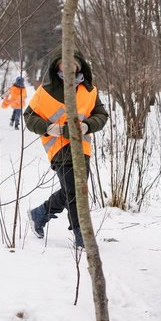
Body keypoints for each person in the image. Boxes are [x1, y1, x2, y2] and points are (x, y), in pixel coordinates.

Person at [25, 51, 109, 248]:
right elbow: (29, 117)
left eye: (72, 63)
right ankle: (81, 235)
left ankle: (40, 213)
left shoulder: (90, 91)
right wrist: (48, 128)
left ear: (79, 66)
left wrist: (88, 125)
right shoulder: (45, 91)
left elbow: (102, 115)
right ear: (57, 66)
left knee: (73, 190)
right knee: (75, 191)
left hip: (82, 148)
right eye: (64, 63)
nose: (68, 66)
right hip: (58, 149)